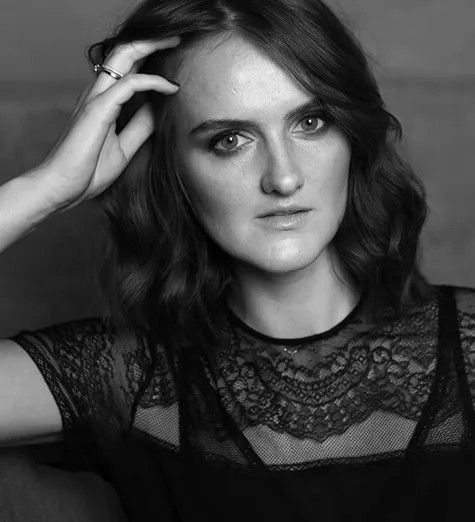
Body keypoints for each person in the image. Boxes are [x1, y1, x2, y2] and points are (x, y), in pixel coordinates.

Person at [0, 0, 474, 520]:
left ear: (353, 136)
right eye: (230, 140)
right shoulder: (128, 376)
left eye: (311, 122)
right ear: (172, 167)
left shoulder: (467, 348)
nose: (284, 177)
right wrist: (46, 188)